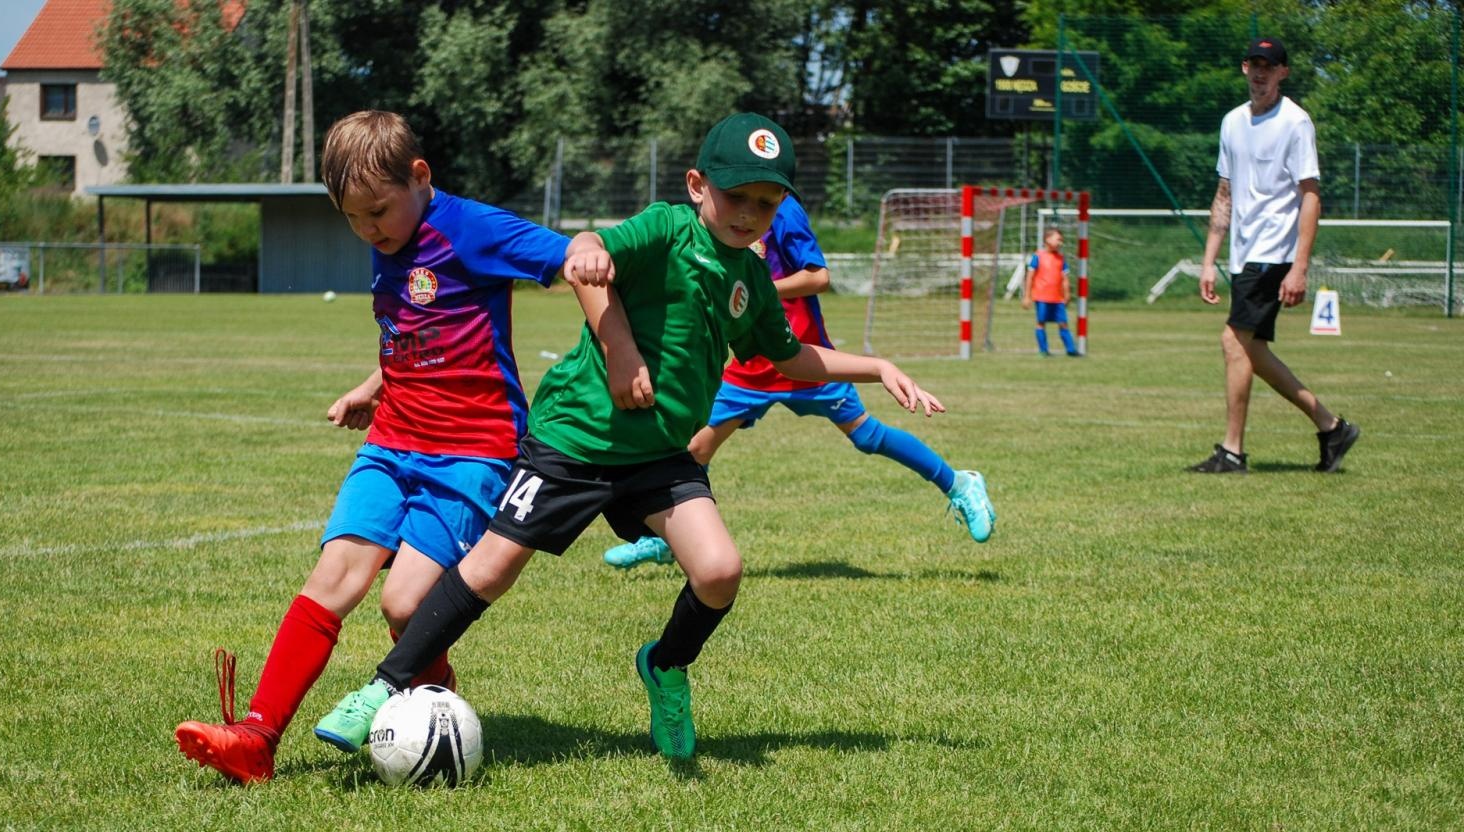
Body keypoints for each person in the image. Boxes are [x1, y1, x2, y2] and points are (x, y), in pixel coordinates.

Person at [313, 112, 944, 763]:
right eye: (736, 196)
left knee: (720, 570)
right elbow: (590, 254)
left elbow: (794, 359)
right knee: (492, 567)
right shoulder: (667, 228)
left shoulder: (751, 280)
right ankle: (382, 686)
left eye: (766, 202)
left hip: (659, 455)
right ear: (698, 185)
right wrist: (615, 337)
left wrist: (879, 367)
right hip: (574, 440)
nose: (750, 213)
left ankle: (666, 666)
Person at [174, 110, 571, 783]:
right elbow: (418, 333)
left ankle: (434, 701)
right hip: (392, 442)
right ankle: (257, 738)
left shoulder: (471, 228)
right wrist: (373, 384)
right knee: (335, 578)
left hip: (472, 452)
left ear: (420, 177)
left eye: (378, 212)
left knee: (405, 605)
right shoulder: (388, 237)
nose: (369, 230)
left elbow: (572, 260)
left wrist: (609, 317)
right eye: (352, 218)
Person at [602, 193, 995, 570]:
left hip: (801, 351)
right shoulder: (721, 215)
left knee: (867, 435)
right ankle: (668, 536)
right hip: (750, 359)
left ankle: (960, 483)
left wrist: (759, 291)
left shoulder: (782, 211)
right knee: (696, 448)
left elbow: (818, 276)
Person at [1191, 36, 1359, 475]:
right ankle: (1332, 427)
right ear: (1245, 69)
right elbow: (1224, 193)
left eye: (1269, 66)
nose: (1260, 73)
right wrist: (1209, 259)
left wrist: (1299, 267)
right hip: (1243, 255)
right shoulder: (1231, 123)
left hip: (1275, 250)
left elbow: (1311, 196)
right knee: (1253, 351)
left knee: (1234, 342)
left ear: (1283, 72)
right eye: (1253, 64)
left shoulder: (1296, 122)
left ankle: (1231, 452)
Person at [1021, 226, 1079, 357]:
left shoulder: (1061, 258)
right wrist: (1027, 296)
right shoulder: (1038, 257)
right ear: (1047, 239)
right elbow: (1030, 277)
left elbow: (1065, 278)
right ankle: (1043, 350)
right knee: (1041, 322)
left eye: (1061, 240)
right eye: (1058, 239)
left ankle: (1071, 350)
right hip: (1041, 297)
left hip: (1057, 298)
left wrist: (1067, 293)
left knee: (1063, 323)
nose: (1060, 243)